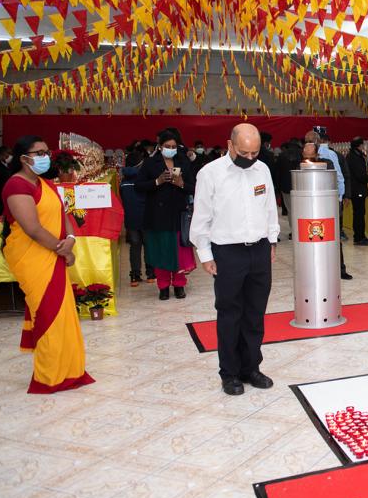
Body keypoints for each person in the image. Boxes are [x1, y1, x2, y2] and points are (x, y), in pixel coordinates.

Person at [191, 123, 279, 396]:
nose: (250, 158)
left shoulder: (262, 170)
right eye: (244, 153)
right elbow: (201, 217)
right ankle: (229, 373)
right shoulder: (210, 173)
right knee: (230, 314)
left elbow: (270, 208)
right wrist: (205, 254)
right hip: (227, 252)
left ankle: (251, 367)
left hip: (259, 249)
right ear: (230, 145)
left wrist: (272, 241)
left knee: (255, 313)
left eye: (255, 153)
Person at [1, 135, 94, 393]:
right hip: (32, 257)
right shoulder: (16, 185)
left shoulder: (46, 183)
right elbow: (32, 228)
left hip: (53, 252)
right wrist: (62, 250)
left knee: (63, 314)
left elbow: (63, 215)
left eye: (46, 152)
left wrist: (71, 240)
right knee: (48, 313)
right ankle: (50, 375)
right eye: (39, 153)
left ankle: (71, 370)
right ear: (24, 158)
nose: (45, 157)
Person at [135, 129, 197, 300]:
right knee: (161, 250)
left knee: (179, 251)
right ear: (160, 146)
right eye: (167, 146)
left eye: (173, 146)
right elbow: (138, 186)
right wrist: (158, 181)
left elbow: (194, 187)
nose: (171, 149)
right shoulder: (150, 163)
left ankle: (179, 284)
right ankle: (163, 286)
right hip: (157, 215)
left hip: (178, 213)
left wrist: (181, 184)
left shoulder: (183, 161)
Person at [296, 142, 353, 278]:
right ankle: (312, 271)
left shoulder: (327, 163)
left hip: (327, 208)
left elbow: (334, 180)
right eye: (305, 156)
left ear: (317, 154)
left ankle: (340, 269)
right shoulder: (298, 167)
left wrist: (342, 196)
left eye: (311, 156)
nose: (308, 160)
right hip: (307, 210)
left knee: (334, 238)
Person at [119, 152, 154, 286]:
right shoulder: (144, 179)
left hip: (130, 218)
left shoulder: (123, 181)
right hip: (146, 217)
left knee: (134, 246)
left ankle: (134, 276)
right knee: (149, 246)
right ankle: (150, 274)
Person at [347, 136, 368, 246]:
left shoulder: (355, 155)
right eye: (362, 144)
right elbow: (360, 175)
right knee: (358, 214)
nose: (363, 146)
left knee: (360, 213)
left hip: (358, 188)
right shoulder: (354, 157)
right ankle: (358, 237)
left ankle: (361, 235)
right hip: (357, 189)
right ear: (359, 145)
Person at [0, 146, 12, 218]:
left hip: (1, 197)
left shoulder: (3, 163)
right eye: (8, 153)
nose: (9, 156)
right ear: (2, 153)